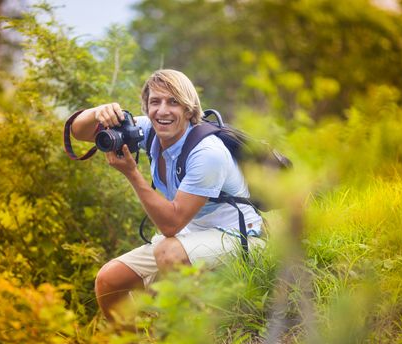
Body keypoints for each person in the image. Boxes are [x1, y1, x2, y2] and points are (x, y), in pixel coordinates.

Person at [70, 69, 264, 320]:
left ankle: (193, 330)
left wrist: (131, 173)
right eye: (155, 102)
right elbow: (79, 132)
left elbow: (171, 224)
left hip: (238, 236)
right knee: (109, 281)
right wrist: (98, 112)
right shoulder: (150, 129)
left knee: (168, 251)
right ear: (146, 107)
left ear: (189, 110)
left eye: (173, 102)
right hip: (192, 233)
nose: (162, 111)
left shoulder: (207, 153)